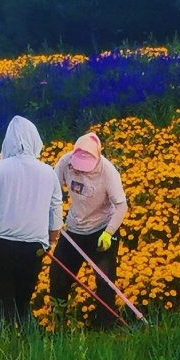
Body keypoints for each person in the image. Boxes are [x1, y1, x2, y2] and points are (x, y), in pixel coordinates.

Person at [0, 115, 62, 332]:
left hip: (0, 247)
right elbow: (56, 209)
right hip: (34, 247)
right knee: (24, 302)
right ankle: (32, 348)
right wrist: (51, 240)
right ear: (35, 139)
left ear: (8, 142)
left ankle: (5, 355)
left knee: (2, 305)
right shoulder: (48, 172)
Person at [50, 131, 128, 329]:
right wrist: (53, 222)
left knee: (105, 280)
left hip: (102, 228)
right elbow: (53, 191)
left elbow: (121, 206)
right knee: (58, 275)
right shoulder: (65, 163)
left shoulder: (108, 171)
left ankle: (106, 326)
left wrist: (109, 232)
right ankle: (58, 322)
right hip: (74, 229)